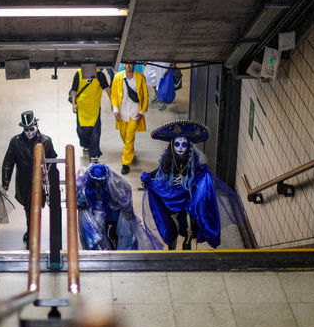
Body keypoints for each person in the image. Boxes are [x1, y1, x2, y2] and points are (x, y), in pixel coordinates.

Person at [140, 120, 220, 250]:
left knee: (191, 219)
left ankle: (187, 240)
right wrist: (149, 177)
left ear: (188, 145)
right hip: (171, 195)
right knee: (169, 221)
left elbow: (199, 175)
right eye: (177, 144)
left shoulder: (193, 161)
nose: (180, 147)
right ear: (172, 145)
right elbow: (161, 171)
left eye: (184, 144)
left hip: (187, 195)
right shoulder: (168, 160)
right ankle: (172, 241)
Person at [2, 111, 58, 244]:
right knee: (28, 207)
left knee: (37, 205)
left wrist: (51, 181)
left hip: (40, 181)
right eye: (26, 130)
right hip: (24, 181)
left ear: (37, 126)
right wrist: (6, 180)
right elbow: (8, 162)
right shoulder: (15, 142)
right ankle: (31, 228)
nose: (29, 132)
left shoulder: (46, 141)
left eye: (31, 129)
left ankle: (34, 229)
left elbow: (52, 161)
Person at [75, 163, 157, 250]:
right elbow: (75, 189)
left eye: (99, 182)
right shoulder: (84, 175)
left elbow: (125, 193)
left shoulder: (114, 181)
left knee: (115, 233)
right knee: (95, 236)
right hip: (94, 211)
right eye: (95, 182)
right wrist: (80, 199)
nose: (97, 185)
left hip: (111, 208)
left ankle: (113, 250)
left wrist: (126, 208)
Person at [110, 62, 148, 175]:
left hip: (134, 112)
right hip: (122, 112)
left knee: (130, 136)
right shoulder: (118, 77)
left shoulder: (140, 77)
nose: (129, 66)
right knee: (124, 135)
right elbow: (114, 95)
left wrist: (141, 111)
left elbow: (145, 94)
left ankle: (125, 163)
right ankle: (129, 149)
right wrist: (116, 110)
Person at [70, 65, 111, 163]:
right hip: (82, 109)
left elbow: (107, 88)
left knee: (95, 133)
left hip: (94, 109)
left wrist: (113, 102)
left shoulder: (100, 75)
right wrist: (74, 104)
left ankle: (94, 154)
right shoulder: (78, 74)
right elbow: (74, 90)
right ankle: (86, 145)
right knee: (81, 131)